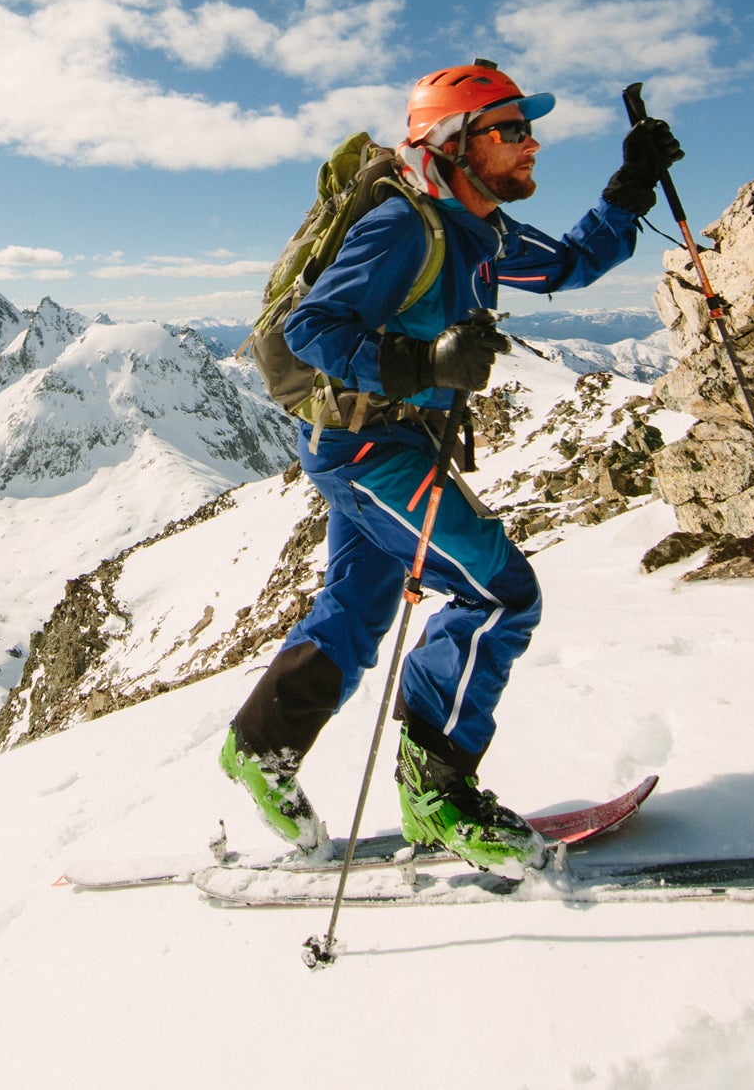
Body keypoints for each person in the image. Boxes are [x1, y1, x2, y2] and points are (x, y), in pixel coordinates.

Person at [220, 59, 681, 869]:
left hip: (382, 446)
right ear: (453, 143)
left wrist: (632, 183)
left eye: (528, 128)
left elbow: (570, 263)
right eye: (509, 130)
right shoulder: (405, 227)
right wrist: (425, 361)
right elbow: (314, 330)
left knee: (357, 607)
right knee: (500, 593)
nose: (530, 144)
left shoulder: (483, 232)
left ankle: (261, 748)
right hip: (367, 447)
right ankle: (437, 796)